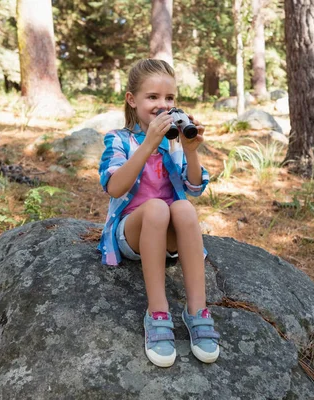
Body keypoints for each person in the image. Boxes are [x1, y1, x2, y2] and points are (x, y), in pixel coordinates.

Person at [98, 59, 220, 367]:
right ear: (132, 100)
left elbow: (193, 188)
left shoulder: (174, 142)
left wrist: (191, 150)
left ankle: (197, 310)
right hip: (134, 232)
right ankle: (157, 311)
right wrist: (148, 143)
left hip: (168, 235)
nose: (161, 104)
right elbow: (114, 187)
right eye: (152, 97)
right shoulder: (119, 139)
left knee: (183, 208)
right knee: (154, 207)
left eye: (169, 98)